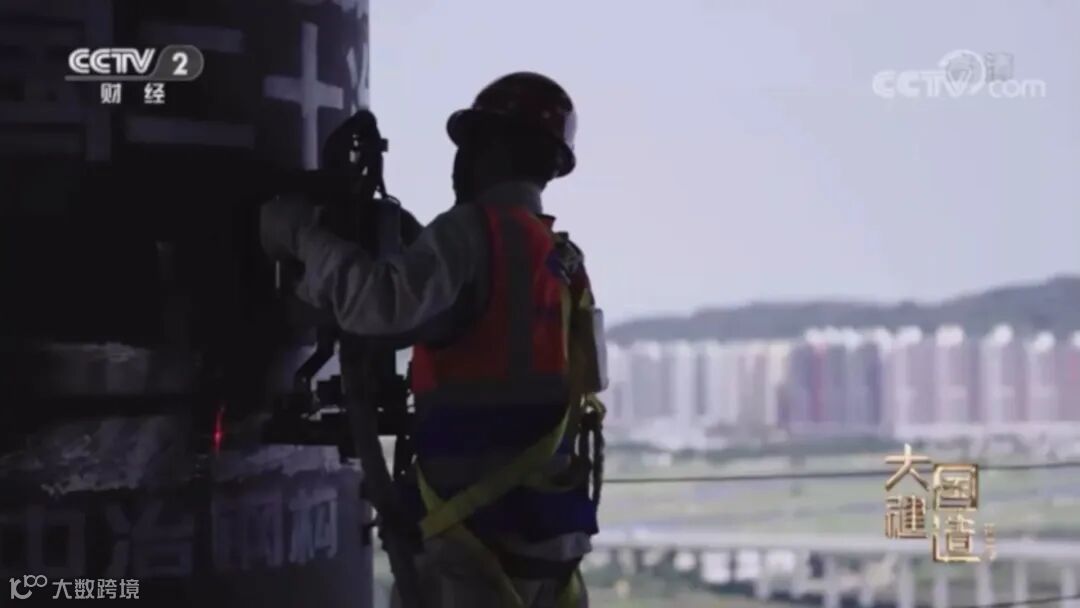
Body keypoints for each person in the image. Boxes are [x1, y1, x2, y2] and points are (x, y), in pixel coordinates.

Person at [260, 72, 607, 608]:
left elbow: (380, 308)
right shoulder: (559, 258)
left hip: (476, 543)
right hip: (547, 542)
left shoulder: (471, 230)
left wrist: (300, 235)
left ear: (493, 149)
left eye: (469, 145)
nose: (458, 163)